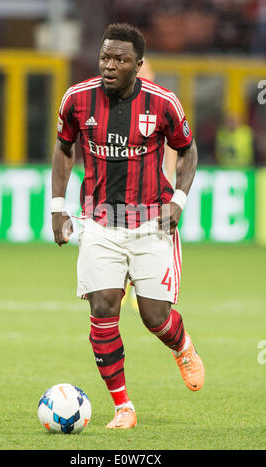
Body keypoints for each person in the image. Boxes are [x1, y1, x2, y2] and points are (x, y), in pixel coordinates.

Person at [51, 23, 204, 430]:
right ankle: (123, 406)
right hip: (99, 221)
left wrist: (179, 201)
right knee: (103, 308)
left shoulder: (163, 102)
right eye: (105, 57)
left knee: (155, 317)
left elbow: (188, 151)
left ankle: (182, 345)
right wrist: (57, 207)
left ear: (139, 64)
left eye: (120, 59)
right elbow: (64, 148)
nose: (109, 65)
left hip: (151, 220)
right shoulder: (78, 99)